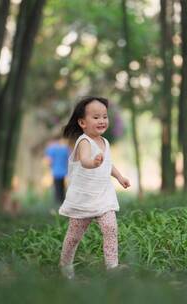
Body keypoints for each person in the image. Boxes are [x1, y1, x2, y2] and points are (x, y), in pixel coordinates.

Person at [58, 96, 130, 279]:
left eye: (105, 116)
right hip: (84, 199)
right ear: (82, 122)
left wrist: (120, 177)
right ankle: (65, 267)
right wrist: (93, 162)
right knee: (74, 237)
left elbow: (109, 165)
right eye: (96, 117)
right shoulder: (84, 142)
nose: (102, 121)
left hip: (103, 197)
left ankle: (112, 267)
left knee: (111, 228)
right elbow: (85, 161)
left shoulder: (104, 142)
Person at [44, 136, 70, 203]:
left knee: (57, 189)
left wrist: (50, 166)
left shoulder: (51, 149)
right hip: (64, 172)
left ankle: (57, 204)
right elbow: (69, 159)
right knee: (62, 189)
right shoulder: (65, 149)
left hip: (56, 172)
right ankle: (63, 202)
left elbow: (49, 161)